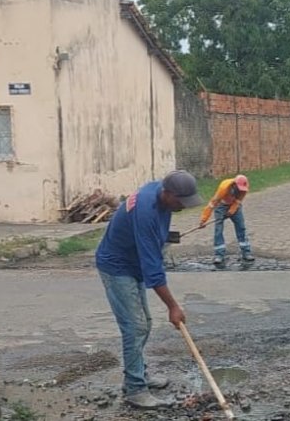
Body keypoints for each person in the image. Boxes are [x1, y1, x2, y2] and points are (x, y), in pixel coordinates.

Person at [95, 170, 203, 409]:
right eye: (180, 202)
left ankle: (138, 374)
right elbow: (152, 268)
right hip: (117, 267)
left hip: (132, 264)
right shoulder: (146, 211)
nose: (183, 207)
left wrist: (166, 238)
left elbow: (153, 242)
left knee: (145, 323)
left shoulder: (160, 194)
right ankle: (135, 389)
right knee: (135, 326)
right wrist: (173, 306)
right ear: (167, 193)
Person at [200, 174, 253, 268]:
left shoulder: (244, 187)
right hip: (221, 206)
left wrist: (231, 211)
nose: (240, 190)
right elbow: (212, 204)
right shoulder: (224, 187)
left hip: (235, 206)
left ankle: (246, 252)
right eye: (238, 188)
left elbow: (238, 201)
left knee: (241, 227)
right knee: (218, 230)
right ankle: (219, 254)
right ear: (234, 185)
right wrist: (203, 220)